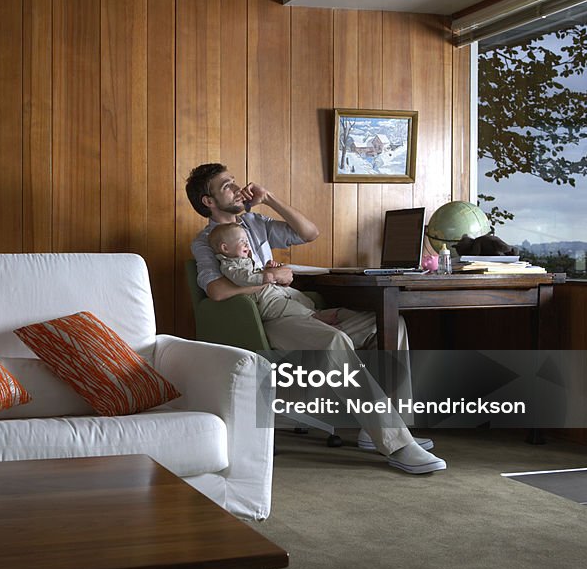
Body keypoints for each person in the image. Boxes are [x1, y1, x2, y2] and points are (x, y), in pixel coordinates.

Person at [187, 162, 445, 474]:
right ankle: (398, 443)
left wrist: (269, 199)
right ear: (209, 201)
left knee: (389, 325)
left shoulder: (255, 223)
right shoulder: (206, 242)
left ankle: (386, 424)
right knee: (334, 340)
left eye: (234, 180)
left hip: (300, 308)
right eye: (226, 185)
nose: (237, 186)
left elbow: (309, 233)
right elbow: (215, 291)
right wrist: (271, 277)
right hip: (267, 319)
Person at [209, 223, 336, 325]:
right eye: (242, 241)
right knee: (288, 306)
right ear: (225, 248)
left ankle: (313, 311)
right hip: (262, 299)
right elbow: (243, 277)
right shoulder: (229, 265)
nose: (247, 244)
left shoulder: (244, 259)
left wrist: (267, 269)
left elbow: (255, 273)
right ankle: (314, 317)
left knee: (297, 295)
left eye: (247, 240)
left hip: (270, 289)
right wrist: (266, 276)